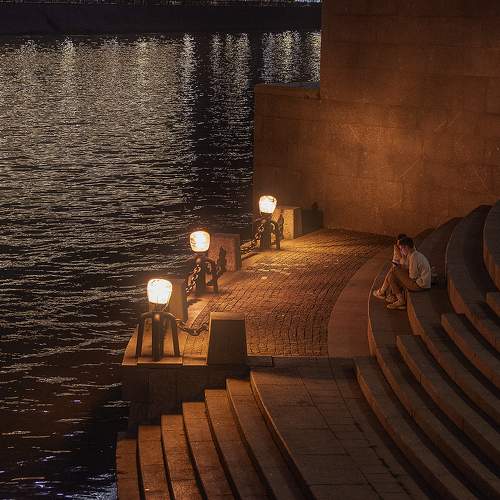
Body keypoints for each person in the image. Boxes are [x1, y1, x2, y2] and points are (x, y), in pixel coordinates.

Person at [385, 236, 431, 310]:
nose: (401, 251)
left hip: (420, 285)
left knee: (394, 270)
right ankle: (400, 300)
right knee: (392, 276)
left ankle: (398, 299)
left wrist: (400, 271)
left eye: (401, 249)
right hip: (420, 283)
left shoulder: (414, 257)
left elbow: (413, 276)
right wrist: (402, 268)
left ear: (406, 247)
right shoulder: (412, 254)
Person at [372, 233, 408, 301]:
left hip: (401, 267)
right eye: (398, 243)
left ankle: (383, 293)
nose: (398, 245)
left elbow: (402, 260)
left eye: (400, 243)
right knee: (389, 276)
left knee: (390, 276)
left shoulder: (404, 249)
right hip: (397, 266)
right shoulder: (397, 247)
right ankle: (385, 293)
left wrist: (399, 251)